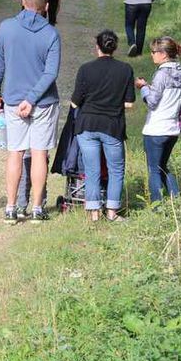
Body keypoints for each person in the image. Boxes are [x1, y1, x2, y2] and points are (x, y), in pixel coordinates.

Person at [0, 0, 61, 224]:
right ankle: (38, 208)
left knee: (15, 153)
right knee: (39, 154)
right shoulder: (51, 34)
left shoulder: (6, 27)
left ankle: (10, 207)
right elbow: (51, 72)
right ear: (46, 7)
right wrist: (32, 99)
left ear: (23, 3)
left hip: (12, 99)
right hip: (43, 102)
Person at [71, 30, 135, 221]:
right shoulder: (125, 69)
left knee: (92, 170)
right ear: (114, 48)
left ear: (96, 47)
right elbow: (130, 103)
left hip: (87, 125)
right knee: (116, 169)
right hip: (112, 127)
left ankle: (94, 214)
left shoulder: (85, 69)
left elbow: (75, 102)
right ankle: (112, 212)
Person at [135, 37, 181, 203]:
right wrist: (150, 88)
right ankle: (176, 201)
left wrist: (143, 87)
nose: (151, 55)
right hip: (173, 129)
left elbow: (152, 102)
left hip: (156, 129)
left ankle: (158, 206)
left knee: (154, 170)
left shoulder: (161, 74)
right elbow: (167, 95)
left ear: (164, 54)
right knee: (163, 167)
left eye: (153, 52)